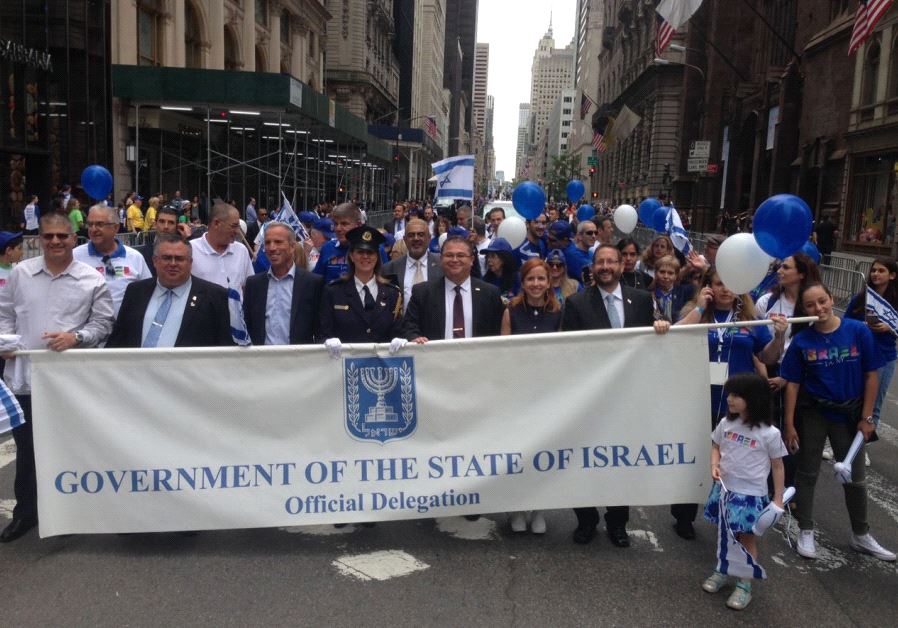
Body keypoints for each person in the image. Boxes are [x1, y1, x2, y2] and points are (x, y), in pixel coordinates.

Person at [0, 213, 114, 542]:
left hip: (70, 383)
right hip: (24, 379)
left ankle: (73, 513)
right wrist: (6, 344)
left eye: (61, 236)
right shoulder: (20, 273)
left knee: (72, 447)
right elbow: (5, 314)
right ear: (41, 238)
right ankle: (26, 514)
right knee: (27, 451)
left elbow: (104, 323)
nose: (54, 242)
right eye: (48, 236)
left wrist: (76, 337)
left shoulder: (91, 279)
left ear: (73, 238)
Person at [561, 244, 670, 547]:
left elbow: (654, 346)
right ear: (592, 267)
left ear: (623, 266)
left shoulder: (643, 300)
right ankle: (586, 520)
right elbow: (565, 353)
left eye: (611, 261)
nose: (606, 266)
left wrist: (661, 328)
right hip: (590, 400)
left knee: (623, 462)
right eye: (600, 262)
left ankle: (617, 522)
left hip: (630, 399)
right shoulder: (577, 303)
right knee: (584, 462)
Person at [782, 282, 895, 562]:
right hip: (815, 414)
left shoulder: (857, 331)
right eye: (810, 305)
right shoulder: (802, 341)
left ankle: (861, 534)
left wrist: (868, 417)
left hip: (850, 416)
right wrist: (789, 424)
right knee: (807, 474)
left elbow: (872, 375)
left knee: (855, 478)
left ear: (832, 298)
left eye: (823, 301)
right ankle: (805, 529)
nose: (818, 308)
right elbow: (793, 384)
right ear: (804, 309)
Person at [701, 373, 786, 611]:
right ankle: (722, 570)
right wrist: (714, 465)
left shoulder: (770, 433)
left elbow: (778, 466)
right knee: (724, 535)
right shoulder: (726, 424)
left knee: (746, 539)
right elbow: (716, 447)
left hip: (751, 495)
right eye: (730, 393)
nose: (730, 399)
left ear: (754, 399)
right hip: (726, 491)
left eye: (737, 395)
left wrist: (778, 499)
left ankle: (744, 584)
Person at [501, 258, 561, 535]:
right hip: (518, 393)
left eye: (541, 279)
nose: (536, 284)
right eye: (530, 279)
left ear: (549, 282)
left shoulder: (559, 312)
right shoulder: (510, 311)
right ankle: (516, 506)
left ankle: (539, 508)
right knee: (518, 453)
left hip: (547, 392)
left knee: (543, 452)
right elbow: (504, 352)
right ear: (523, 283)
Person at [106, 234, 234, 348]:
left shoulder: (214, 296)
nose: (173, 264)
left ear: (190, 262)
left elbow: (224, 347)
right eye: (166, 258)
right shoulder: (135, 292)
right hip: (137, 372)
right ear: (155, 261)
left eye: (179, 259)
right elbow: (118, 339)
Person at [403, 235, 505, 343]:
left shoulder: (489, 293)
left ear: (471, 260)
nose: (455, 260)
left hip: (478, 357)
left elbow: (499, 331)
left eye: (460, 255)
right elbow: (409, 327)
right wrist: (414, 338)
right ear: (441, 259)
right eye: (449, 255)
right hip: (436, 357)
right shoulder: (423, 293)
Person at [318, 225, 403, 346]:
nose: (365, 256)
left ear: (377, 257)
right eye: (360, 252)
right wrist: (327, 341)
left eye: (370, 252)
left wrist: (399, 339)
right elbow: (323, 332)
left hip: (381, 363)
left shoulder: (392, 293)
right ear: (352, 256)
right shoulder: (333, 292)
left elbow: (399, 331)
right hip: (344, 362)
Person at [244, 223, 323, 345]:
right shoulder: (253, 284)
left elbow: (320, 329)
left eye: (278, 242)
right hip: (261, 359)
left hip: (298, 360)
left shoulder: (312, 283)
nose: (272, 248)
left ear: (292, 247)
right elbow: (247, 326)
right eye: (268, 242)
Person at [845, 258, 898, 434]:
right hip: (858, 356)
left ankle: (861, 447)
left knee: (873, 404)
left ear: (892, 275)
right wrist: (862, 327)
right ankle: (842, 440)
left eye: (881, 271)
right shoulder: (860, 299)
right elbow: (845, 324)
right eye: (873, 270)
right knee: (852, 399)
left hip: (884, 358)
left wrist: (889, 327)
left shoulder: (895, 301)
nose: (875, 274)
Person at [73, 204, 153, 316]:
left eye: (99, 224)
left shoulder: (135, 257)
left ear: (115, 228)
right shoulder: (75, 256)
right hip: (88, 329)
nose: (93, 229)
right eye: (90, 224)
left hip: (125, 329)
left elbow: (148, 291)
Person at [189, 203, 254, 296]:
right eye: (234, 226)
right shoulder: (191, 249)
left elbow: (248, 288)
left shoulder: (241, 251)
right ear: (216, 223)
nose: (237, 231)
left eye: (238, 226)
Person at [382, 218, 443, 313]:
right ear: (405, 239)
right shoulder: (390, 268)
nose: (416, 238)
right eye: (411, 235)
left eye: (421, 234)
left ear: (429, 238)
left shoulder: (442, 265)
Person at [313, 202, 363, 283]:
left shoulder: (374, 249)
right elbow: (316, 282)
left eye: (344, 224)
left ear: (358, 225)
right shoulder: (327, 248)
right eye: (336, 224)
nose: (338, 229)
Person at [650, 255, 694, 323]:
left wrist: (703, 267)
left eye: (670, 273)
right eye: (662, 272)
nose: (666, 276)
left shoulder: (684, 292)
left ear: (676, 275)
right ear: (656, 273)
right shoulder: (648, 294)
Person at [481, 237, 521, 303]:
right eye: (487, 256)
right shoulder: (486, 280)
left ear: (504, 258)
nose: (489, 260)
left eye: (493, 256)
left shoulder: (518, 278)